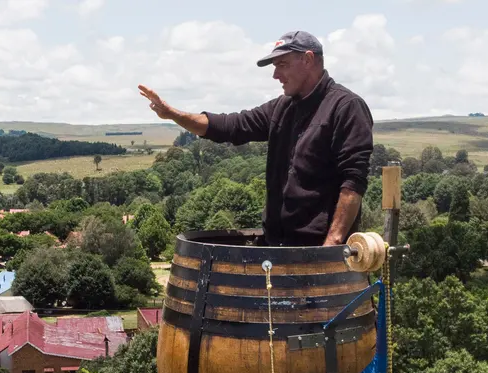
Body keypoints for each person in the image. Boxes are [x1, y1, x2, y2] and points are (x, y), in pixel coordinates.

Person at [139, 30, 373, 247]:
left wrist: (333, 243)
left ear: (308, 60)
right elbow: (230, 126)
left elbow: (353, 182)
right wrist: (172, 114)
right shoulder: (282, 108)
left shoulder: (346, 107)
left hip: (320, 251)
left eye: (282, 64)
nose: (275, 75)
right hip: (276, 247)